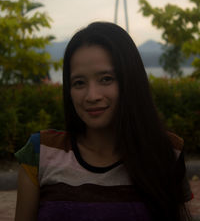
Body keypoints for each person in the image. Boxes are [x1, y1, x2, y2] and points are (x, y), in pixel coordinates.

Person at [15, 21, 192, 221]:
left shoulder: (167, 152)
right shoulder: (41, 153)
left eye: (106, 79)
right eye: (79, 83)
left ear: (130, 80)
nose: (92, 96)